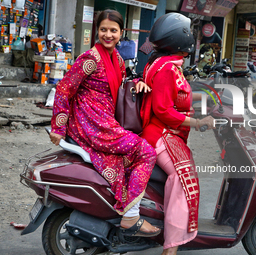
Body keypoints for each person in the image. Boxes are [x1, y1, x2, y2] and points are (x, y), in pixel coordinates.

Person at [49, 9, 160, 237]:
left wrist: (139, 83)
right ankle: (131, 217)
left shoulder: (117, 59)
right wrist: (58, 127)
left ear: (121, 32)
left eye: (113, 30)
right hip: (92, 125)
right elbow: (64, 89)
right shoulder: (90, 59)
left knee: (133, 153)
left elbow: (123, 82)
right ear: (97, 30)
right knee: (147, 153)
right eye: (103, 30)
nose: (108, 35)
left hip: (106, 122)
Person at [140, 13, 215, 255]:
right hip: (160, 134)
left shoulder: (167, 63)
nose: (192, 37)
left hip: (167, 133)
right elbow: (163, 110)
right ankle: (170, 247)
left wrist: (205, 98)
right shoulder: (166, 69)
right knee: (183, 179)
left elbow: (176, 97)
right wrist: (197, 121)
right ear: (180, 37)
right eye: (189, 32)